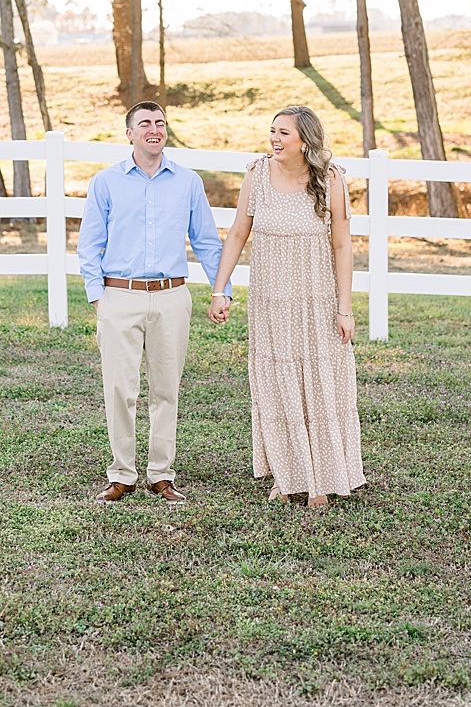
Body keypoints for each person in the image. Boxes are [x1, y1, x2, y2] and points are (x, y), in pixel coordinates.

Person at [208, 105, 366, 508]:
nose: (274, 139)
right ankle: (287, 474)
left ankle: (321, 479)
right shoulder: (257, 174)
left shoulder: (330, 179)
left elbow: (342, 245)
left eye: (284, 133)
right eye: (273, 131)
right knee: (278, 386)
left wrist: (344, 308)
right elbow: (238, 233)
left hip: (316, 300)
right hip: (270, 302)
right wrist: (219, 288)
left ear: (305, 141)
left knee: (318, 384)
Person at [77, 100, 224, 505]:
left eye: (160, 122)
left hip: (171, 297)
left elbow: (207, 241)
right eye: (144, 123)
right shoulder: (106, 182)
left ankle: (161, 474)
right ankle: (121, 474)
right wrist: (98, 297)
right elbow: (89, 244)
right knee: (119, 390)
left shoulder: (188, 182)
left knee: (166, 390)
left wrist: (221, 290)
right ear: (130, 134)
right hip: (119, 296)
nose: (154, 129)